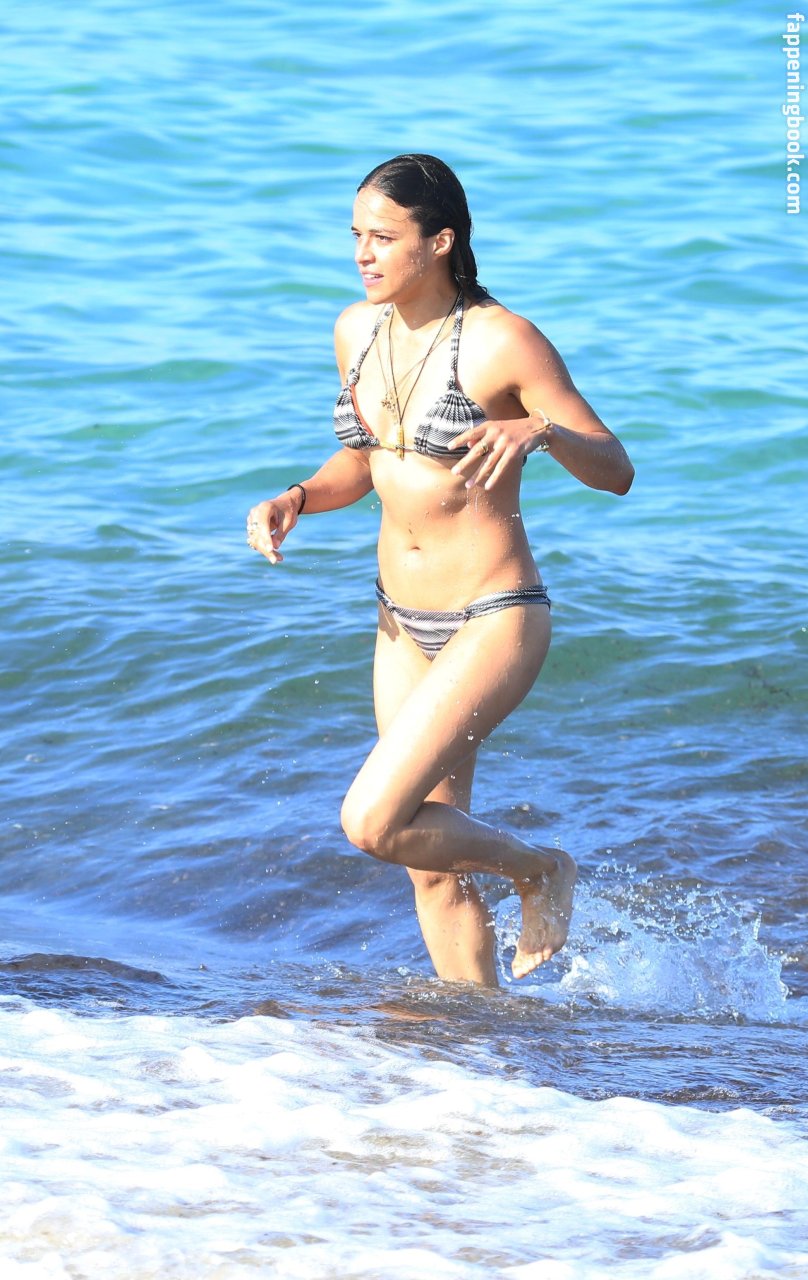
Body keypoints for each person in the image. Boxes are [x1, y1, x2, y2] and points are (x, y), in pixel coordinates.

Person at [246, 153, 633, 988]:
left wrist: (541, 432)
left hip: (493, 616)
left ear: (441, 241)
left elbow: (615, 468)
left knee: (373, 819)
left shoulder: (501, 340)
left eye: (384, 237)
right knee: (428, 863)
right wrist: (297, 498)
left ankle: (540, 868)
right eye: (356, 234)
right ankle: (481, 1040)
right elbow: (368, 461)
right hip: (399, 620)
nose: (363, 252)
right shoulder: (357, 331)